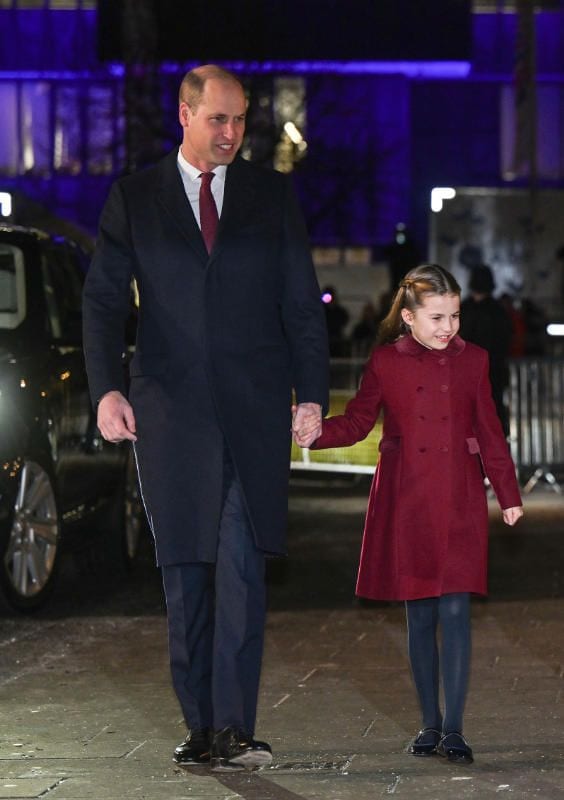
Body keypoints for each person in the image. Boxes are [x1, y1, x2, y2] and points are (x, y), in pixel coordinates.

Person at [83, 65, 329, 771]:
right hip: (168, 412)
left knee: (243, 570)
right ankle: (198, 724)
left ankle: (234, 728)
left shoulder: (270, 196)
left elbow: (299, 303)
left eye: (240, 119)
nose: (231, 134)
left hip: (252, 412)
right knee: (186, 569)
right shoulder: (134, 197)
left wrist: (311, 393)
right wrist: (106, 390)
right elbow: (102, 303)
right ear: (184, 115)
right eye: (218, 119)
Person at [294, 264, 523, 764]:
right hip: (407, 498)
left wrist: (508, 493)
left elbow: (489, 430)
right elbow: (357, 421)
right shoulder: (384, 362)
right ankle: (429, 724)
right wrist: (316, 432)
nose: (449, 328)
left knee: (457, 611)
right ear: (409, 318)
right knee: (419, 614)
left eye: (455, 317)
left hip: (459, 496)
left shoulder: (475, 361)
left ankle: (456, 729)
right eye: (438, 317)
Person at [460, 265, 512, 435]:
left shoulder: (463, 310)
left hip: (467, 375)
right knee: (492, 420)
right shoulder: (498, 312)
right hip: (492, 373)